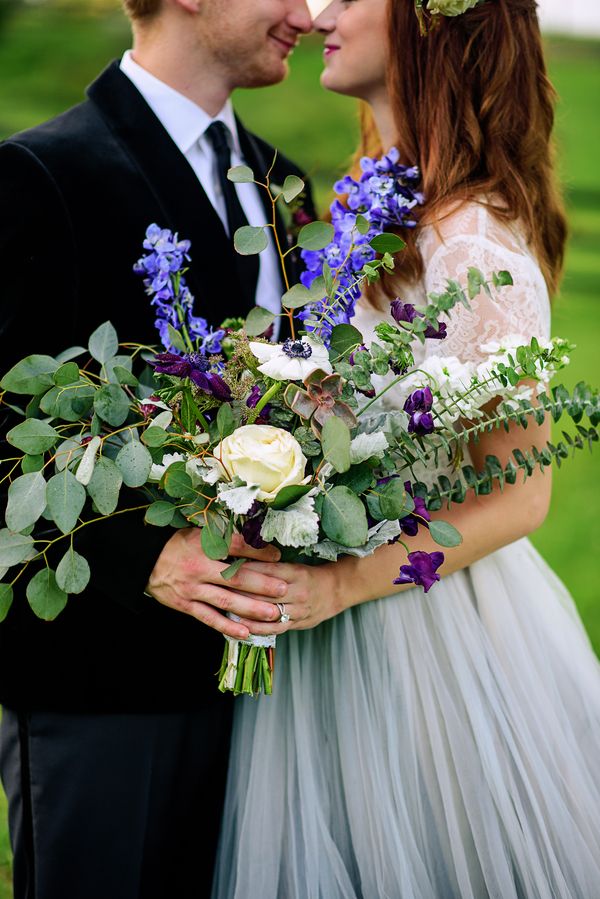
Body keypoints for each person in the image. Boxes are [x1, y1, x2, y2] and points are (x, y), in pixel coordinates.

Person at [212, 1, 600, 897]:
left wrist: (345, 580)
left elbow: (520, 497)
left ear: (431, 22)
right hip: (316, 629)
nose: (317, 14)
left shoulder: (474, 248)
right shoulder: (360, 209)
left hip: (423, 637)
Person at [0, 1, 314, 897]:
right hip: (100, 689)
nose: (305, 11)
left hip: (264, 698)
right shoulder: (40, 174)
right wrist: (149, 558)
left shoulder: (283, 187)